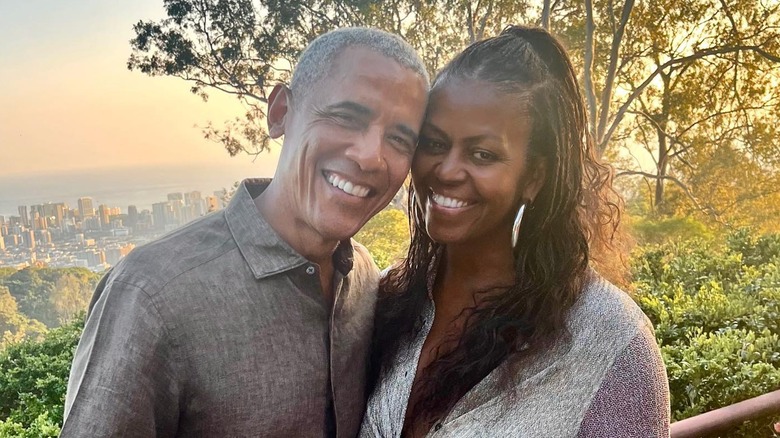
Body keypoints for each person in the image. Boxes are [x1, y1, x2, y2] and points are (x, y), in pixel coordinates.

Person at [61, 27, 429, 437]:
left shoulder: (362, 278)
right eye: (346, 116)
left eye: (399, 139)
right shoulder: (153, 295)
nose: (370, 156)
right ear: (280, 113)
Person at [360, 25, 670, 437]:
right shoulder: (383, 302)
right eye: (433, 143)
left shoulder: (608, 344)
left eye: (482, 154)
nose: (447, 170)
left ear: (534, 177)